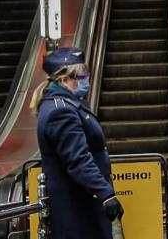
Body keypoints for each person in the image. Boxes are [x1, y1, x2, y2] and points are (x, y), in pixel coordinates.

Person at [30, 47, 123, 239]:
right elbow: (78, 160)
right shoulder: (61, 112)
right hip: (78, 208)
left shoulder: (65, 105)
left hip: (81, 204)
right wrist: (106, 194)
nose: (86, 80)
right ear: (64, 80)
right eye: (81, 76)